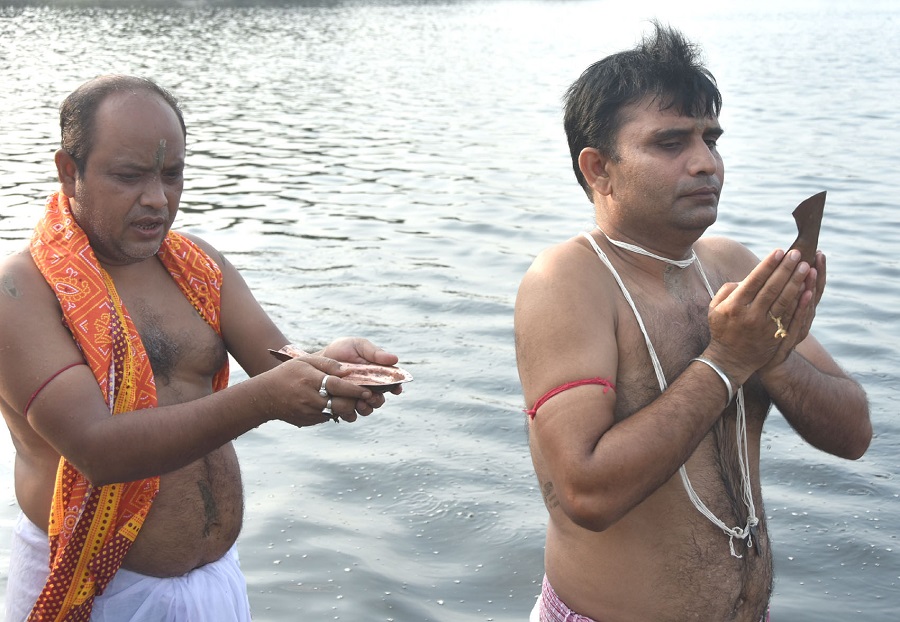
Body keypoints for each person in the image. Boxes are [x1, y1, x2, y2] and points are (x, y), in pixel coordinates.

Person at [0, 75, 403, 621]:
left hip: (216, 581)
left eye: (172, 175)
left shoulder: (198, 265)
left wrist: (331, 370)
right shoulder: (20, 292)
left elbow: (278, 369)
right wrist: (265, 400)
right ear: (69, 171)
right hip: (95, 589)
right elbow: (98, 451)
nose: (156, 199)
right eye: (129, 176)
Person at [514, 23, 871, 622]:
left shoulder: (731, 265)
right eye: (671, 143)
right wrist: (730, 360)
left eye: (712, 138)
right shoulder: (569, 281)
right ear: (599, 168)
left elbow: (854, 435)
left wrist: (773, 356)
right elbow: (587, 492)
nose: (705, 162)